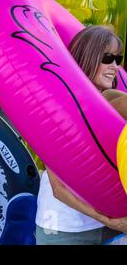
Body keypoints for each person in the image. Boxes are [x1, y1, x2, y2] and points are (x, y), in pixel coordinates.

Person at [35, 25, 127, 245]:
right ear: (89, 56)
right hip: (63, 228)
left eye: (117, 58)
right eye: (107, 58)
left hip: (105, 226)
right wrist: (109, 220)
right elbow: (59, 189)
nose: (114, 66)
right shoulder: (55, 107)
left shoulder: (111, 99)